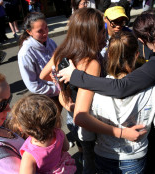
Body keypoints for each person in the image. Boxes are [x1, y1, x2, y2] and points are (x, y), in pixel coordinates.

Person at [58, 10, 155, 174]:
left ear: (109, 54)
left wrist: (76, 76)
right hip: (138, 155)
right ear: (137, 54)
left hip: (103, 156)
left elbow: (121, 88)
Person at [40, 8, 107, 174]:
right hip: (92, 121)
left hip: (73, 114)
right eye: (102, 30)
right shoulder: (91, 63)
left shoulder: (62, 52)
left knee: (86, 154)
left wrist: (59, 83)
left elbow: (43, 75)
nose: (105, 34)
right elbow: (82, 114)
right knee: (94, 160)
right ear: (93, 33)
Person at [8, 94, 76, 174]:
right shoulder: (58, 132)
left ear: (21, 128)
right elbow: (66, 148)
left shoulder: (29, 155)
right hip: (66, 168)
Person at [18, 12, 60, 109]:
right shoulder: (25, 53)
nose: (45, 33)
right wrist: (55, 89)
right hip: (46, 99)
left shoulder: (50, 42)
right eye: (40, 31)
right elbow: (32, 85)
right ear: (29, 32)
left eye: (46, 27)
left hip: (60, 90)